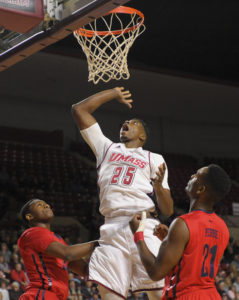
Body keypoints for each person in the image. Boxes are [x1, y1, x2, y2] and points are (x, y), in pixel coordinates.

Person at [71, 87, 174, 300]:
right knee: (110, 295)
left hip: (144, 224)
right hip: (112, 227)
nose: (126, 123)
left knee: (158, 294)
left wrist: (158, 188)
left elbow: (167, 210)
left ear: (143, 135)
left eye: (133, 122)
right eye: (125, 122)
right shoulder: (106, 148)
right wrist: (113, 93)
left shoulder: (154, 158)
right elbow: (79, 110)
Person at [130, 164, 231, 299]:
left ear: (201, 189)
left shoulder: (183, 224)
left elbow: (155, 272)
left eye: (196, 176)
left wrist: (138, 235)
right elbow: (194, 258)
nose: (191, 176)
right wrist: (172, 238)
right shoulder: (222, 227)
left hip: (185, 295)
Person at [18, 199, 99, 300]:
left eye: (47, 204)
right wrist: (99, 243)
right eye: (40, 205)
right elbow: (68, 254)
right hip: (41, 294)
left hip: (55, 296)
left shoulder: (58, 240)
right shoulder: (32, 233)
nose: (47, 206)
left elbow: (84, 270)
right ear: (30, 216)